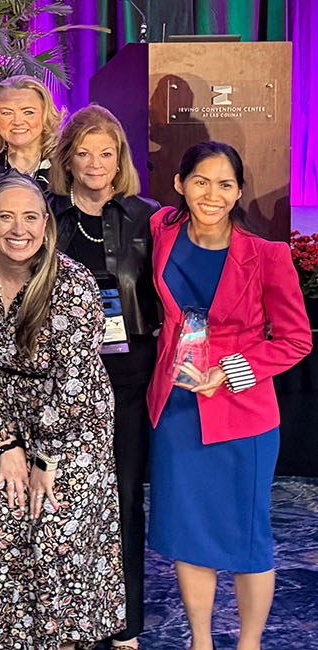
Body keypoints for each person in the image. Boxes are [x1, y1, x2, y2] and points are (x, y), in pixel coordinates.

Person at [0, 171, 125, 649]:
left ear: (46, 224)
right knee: (11, 524)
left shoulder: (74, 283)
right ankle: (21, 638)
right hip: (3, 417)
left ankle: (67, 638)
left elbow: (70, 383)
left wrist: (43, 457)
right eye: (5, 216)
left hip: (73, 427)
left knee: (55, 527)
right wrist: (6, 445)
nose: (17, 228)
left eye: (30, 217)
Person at [146, 142, 311, 650]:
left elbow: (295, 338)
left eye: (225, 185)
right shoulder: (161, 231)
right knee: (187, 532)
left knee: (247, 538)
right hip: (175, 409)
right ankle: (201, 642)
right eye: (200, 181)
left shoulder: (267, 255)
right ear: (179, 185)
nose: (211, 194)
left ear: (239, 191)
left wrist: (232, 371)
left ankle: (249, 644)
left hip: (243, 416)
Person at [47, 104, 160, 649]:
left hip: (131, 375)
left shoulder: (150, 217)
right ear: (67, 158)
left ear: (120, 160)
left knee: (123, 497)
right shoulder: (44, 216)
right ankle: (70, 618)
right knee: (65, 502)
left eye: (106, 153)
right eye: (84, 152)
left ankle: (124, 620)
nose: (95, 163)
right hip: (62, 380)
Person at [0, 75, 62, 189]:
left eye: (28, 112)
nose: (17, 122)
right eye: (7, 113)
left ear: (45, 116)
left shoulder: (65, 165)